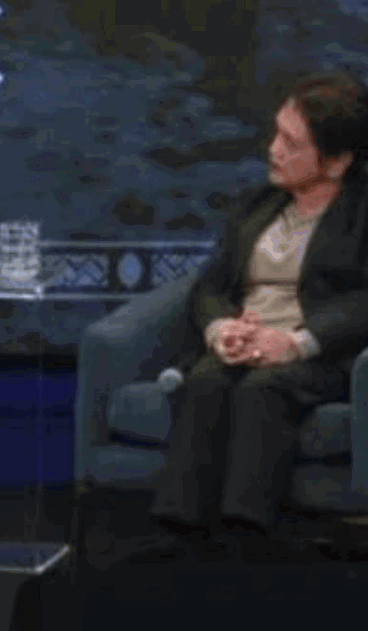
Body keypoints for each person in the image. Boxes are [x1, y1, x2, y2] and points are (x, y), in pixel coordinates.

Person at [138, 70, 368, 563]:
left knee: (264, 389)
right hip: (248, 338)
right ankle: (179, 528)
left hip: (319, 352)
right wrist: (221, 327)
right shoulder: (258, 204)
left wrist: (298, 342)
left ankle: (247, 531)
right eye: (275, 135)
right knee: (205, 380)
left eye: (291, 142)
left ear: (337, 161)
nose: (273, 150)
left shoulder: (360, 215)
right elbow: (211, 284)